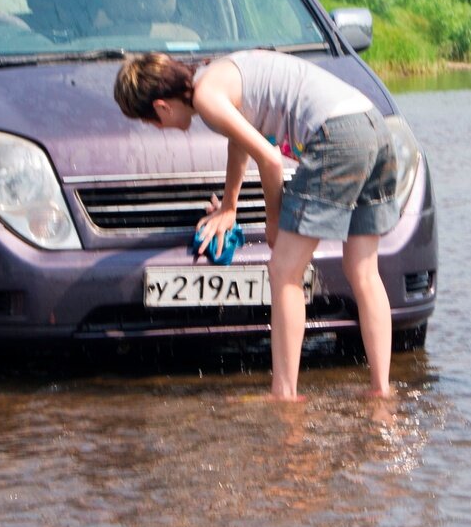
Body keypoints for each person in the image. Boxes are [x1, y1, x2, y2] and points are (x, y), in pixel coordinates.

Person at [115, 50, 397, 402]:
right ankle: (381, 392)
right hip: (372, 125)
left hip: (336, 136)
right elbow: (241, 140)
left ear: (161, 107)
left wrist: (274, 220)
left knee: (284, 271)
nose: (157, 129)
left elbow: (269, 158)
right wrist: (229, 205)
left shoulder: (205, 98)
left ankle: (284, 394)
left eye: (150, 122)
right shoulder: (212, 75)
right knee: (363, 270)